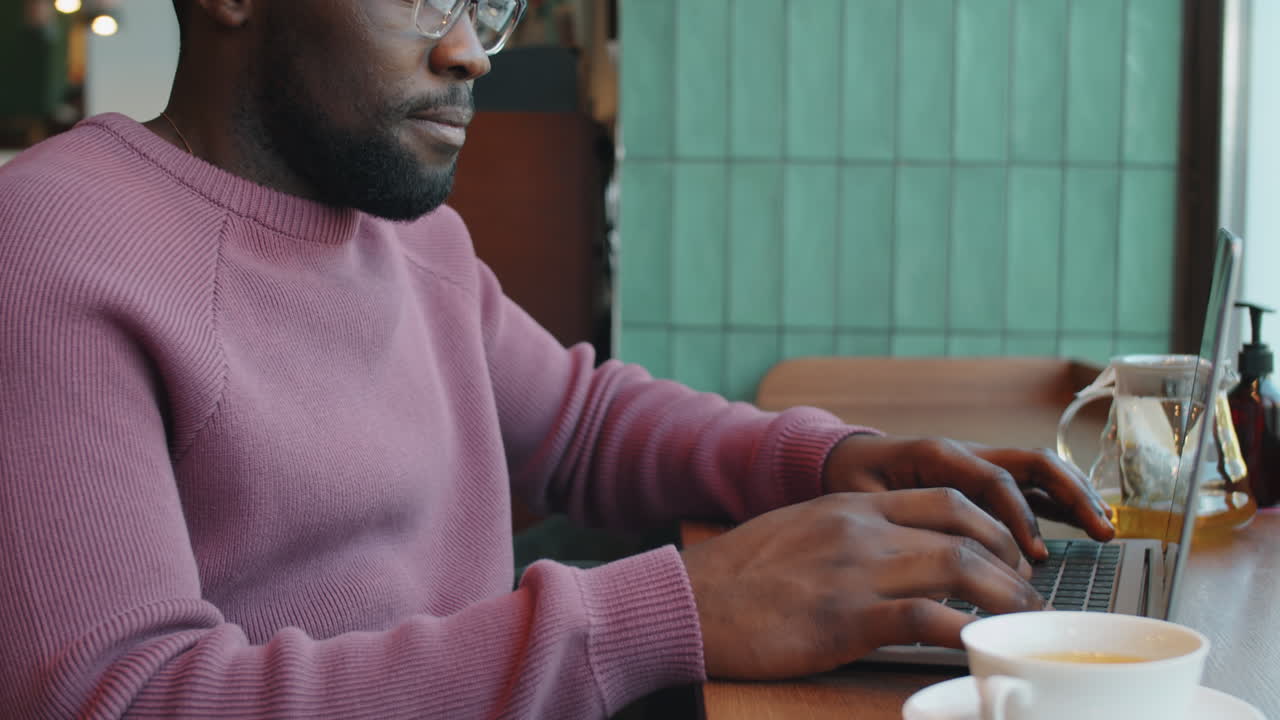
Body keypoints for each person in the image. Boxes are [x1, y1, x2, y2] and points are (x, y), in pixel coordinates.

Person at [0, 1, 1115, 717]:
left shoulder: (408, 236)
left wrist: (834, 464)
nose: (470, 49)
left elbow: (579, 425)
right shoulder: (51, 245)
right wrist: (669, 609)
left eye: (486, 1)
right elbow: (123, 698)